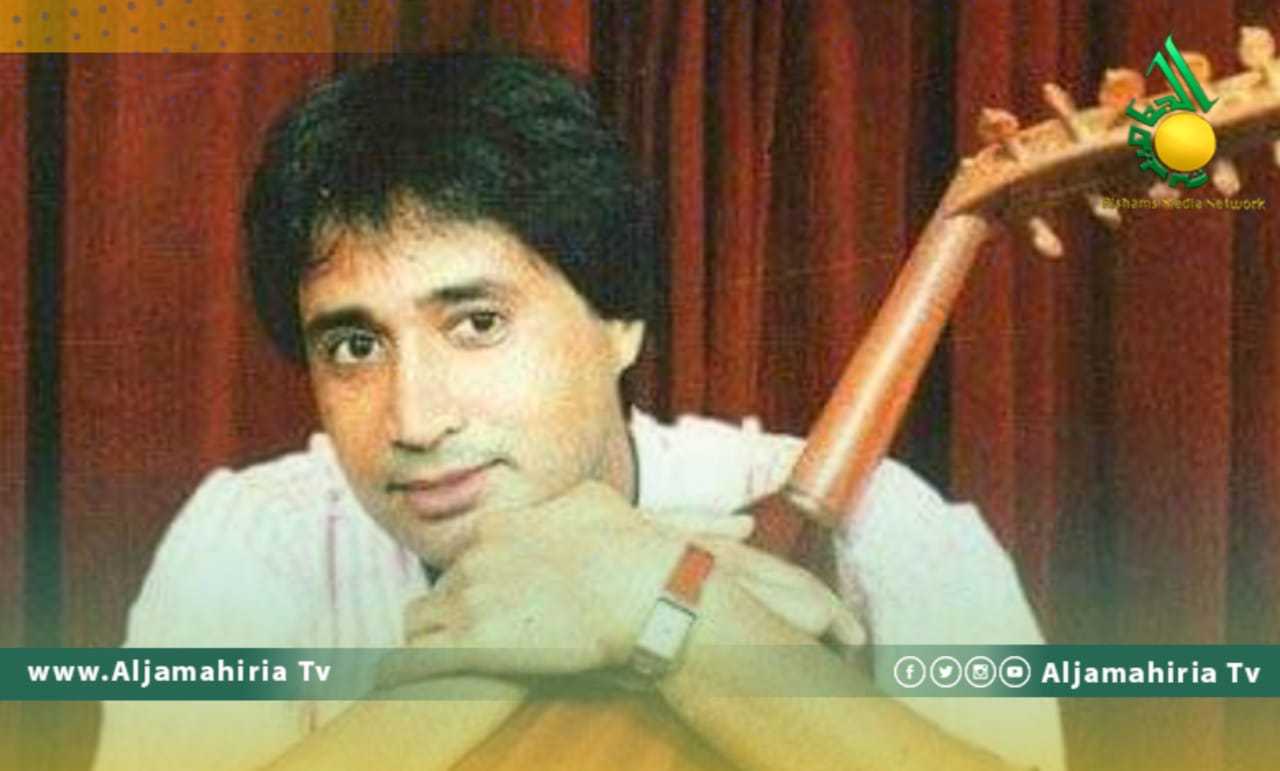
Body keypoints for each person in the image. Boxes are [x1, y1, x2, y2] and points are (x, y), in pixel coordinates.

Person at [94, 53, 1064, 771]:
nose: (416, 418)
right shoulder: (252, 544)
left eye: (476, 323)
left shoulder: (886, 537)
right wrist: (489, 663)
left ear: (620, 321)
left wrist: (653, 598)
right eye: (355, 346)